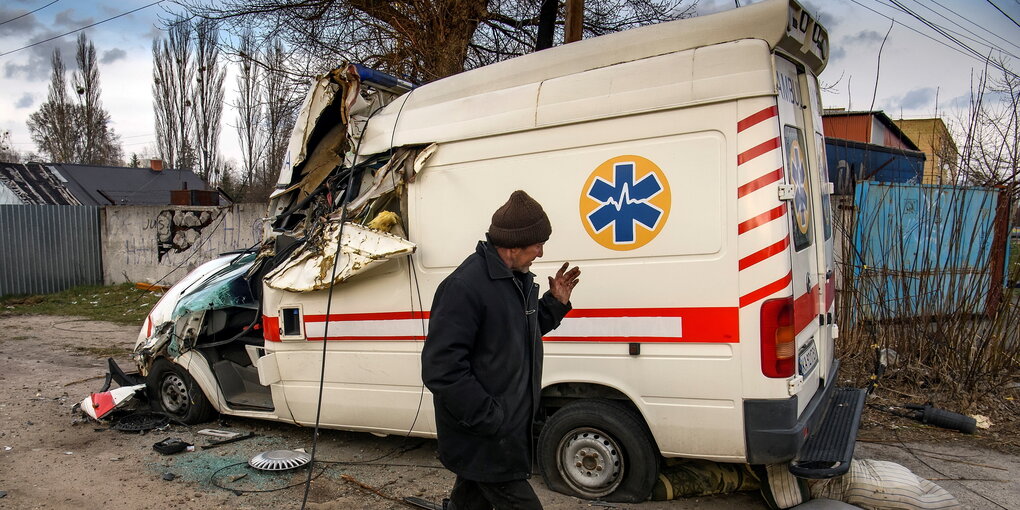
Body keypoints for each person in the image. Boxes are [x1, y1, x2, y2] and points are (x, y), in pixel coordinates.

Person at [422, 190, 581, 510]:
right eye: (537, 243)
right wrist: (490, 418)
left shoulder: (514, 280)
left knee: (470, 501)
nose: (541, 251)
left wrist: (553, 305)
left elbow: (515, 335)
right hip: (487, 434)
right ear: (514, 244)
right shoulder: (465, 287)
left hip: (501, 428)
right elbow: (441, 367)